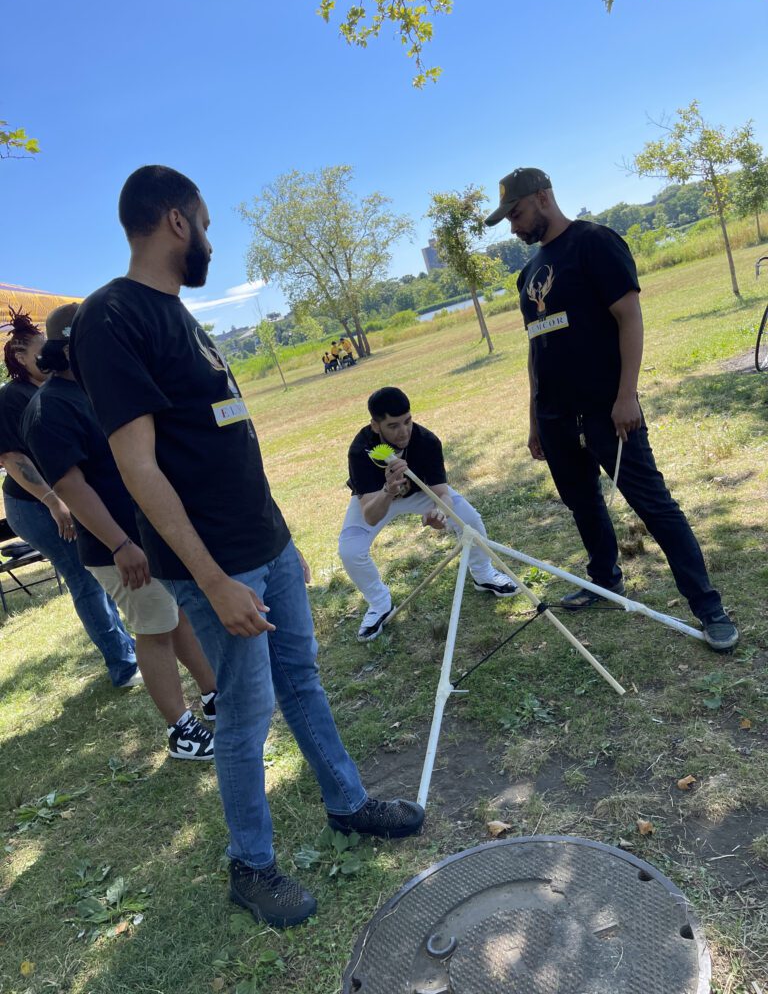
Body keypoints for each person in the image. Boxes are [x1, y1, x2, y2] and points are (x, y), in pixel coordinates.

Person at [70, 165, 424, 929]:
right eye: (204, 222)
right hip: (218, 564)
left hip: (263, 544)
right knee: (246, 715)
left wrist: (282, 538)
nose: (208, 238)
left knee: (303, 681)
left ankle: (347, 803)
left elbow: (230, 438)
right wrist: (214, 580)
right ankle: (251, 867)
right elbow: (138, 468)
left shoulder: (181, 316)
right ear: (175, 222)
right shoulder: (112, 318)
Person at [484, 166, 738, 652]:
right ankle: (605, 578)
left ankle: (708, 606)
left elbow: (629, 317)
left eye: (516, 214)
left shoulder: (595, 242)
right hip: (556, 417)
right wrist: (535, 418)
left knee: (654, 506)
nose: (513, 227)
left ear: (542, 197)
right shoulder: (527, 274)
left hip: (606, 410)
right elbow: (537, 350)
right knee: (582, 502)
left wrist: (627, 395)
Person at [22, 303, 217, 760]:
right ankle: (180, 730)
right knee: (153, 629)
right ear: (69, 347)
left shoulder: (97, 389)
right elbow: (71, 484)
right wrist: (121, 544)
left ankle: (212, 694)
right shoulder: (49, 408)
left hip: (146, 532)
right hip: (117, 546)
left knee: (176, 614)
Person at [0, 309, 140, 687]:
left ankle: (125, 648)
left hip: (56, 496)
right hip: (33, 504)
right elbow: (14, 460)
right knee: (84, 576)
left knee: (93, 574)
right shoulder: (14, 397)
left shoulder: (54, 389)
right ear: (20, 356)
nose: (50, 355)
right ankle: (123, 664)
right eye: (41, 350)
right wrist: (53, 501)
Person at [339, 387, 519, 642]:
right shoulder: (361, 451)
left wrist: (440, 513)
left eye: (407, 421)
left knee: (470, 519)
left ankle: (483, 574)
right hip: (380, 497)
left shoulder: (427, 441)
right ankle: (380, 603)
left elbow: (442, 494)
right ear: (375, 425)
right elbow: (369, 515)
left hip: (420, 494)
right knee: (350, 550)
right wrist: (388, 490)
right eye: (393, 425)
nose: (403, 431)